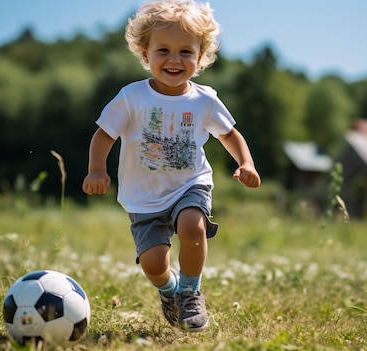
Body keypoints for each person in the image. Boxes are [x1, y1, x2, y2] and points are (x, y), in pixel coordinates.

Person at [82, 0, 261, 332]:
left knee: (193, 227)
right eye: (163, 50)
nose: (174, 60)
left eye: (185, 52)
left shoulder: (204, 100)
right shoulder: (132, 97)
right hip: (143, 197)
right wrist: (97, 169)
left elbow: (230, 134)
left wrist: (246, 162)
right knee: (153, 264)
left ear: (200, 56)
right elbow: (104, 135)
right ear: (145, 53)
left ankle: (191, 293)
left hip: (189, 184)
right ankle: (170, 290)